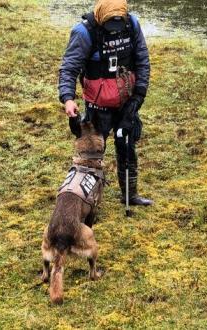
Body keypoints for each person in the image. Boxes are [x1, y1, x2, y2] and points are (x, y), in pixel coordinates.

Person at [58, 0, 153, 206]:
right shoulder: (84, 33)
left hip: (126, 102)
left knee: (127, 146)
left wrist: (137, 99)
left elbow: (143, 62)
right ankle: (87, 203)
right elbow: (69, 68)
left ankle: (130, 195)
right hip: (97, 106)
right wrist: (68, 98)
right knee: (92, 154)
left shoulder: (132, 25)